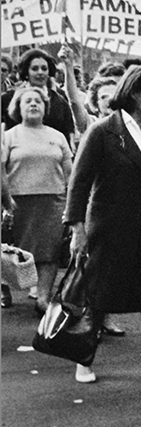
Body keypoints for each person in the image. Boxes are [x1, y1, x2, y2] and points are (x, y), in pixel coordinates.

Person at [64, 65, 141, 389]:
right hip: (107, 227)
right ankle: (83, 360)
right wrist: (77, 230)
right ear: (134, 92)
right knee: (97, 296)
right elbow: (78, 184)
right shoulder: (102, 130)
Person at [2, 86, 73, 309]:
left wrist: (71, 202)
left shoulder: (57, 136)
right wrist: (5, 202)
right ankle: (4, 291)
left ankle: (43, 298)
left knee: (48, 253)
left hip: (52, 202)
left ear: (45, 107)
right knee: (7, 251)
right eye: (28, 101)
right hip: (16, 203)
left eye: (38, 102)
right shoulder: (7, 137)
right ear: (18, 108)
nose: (33, 104)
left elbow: (70, 173)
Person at [1, 48, 76, 141]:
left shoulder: (60, 101)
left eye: (44, 68)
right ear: (26, 72)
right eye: (35, 68)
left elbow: (68, 134)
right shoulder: (7, 99)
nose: (40, 72)